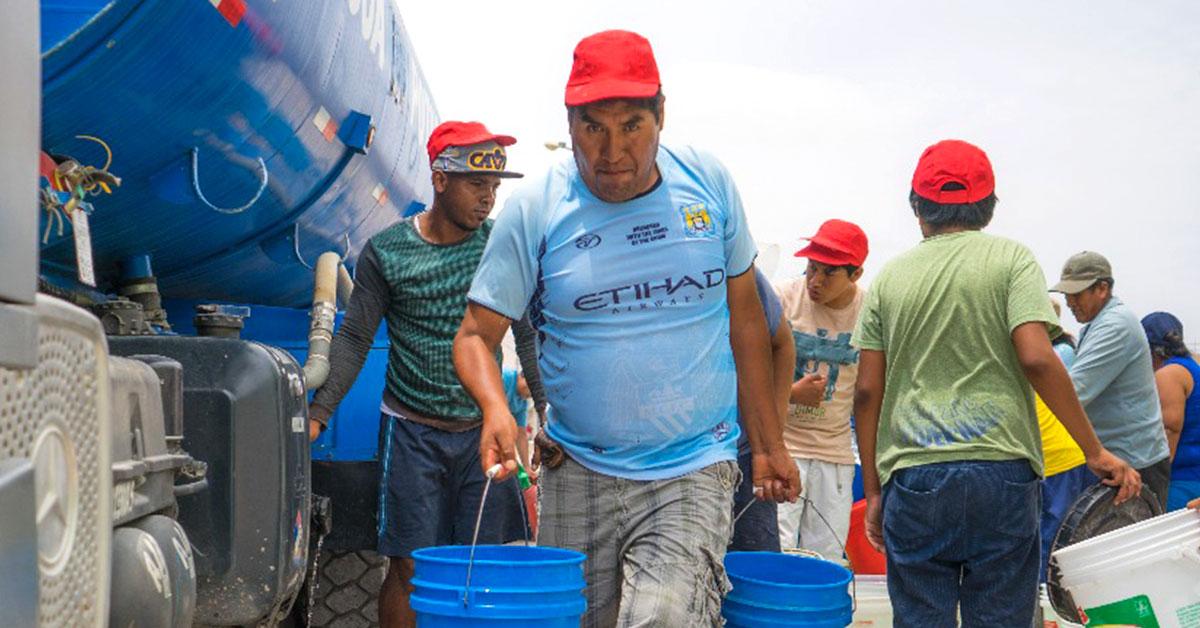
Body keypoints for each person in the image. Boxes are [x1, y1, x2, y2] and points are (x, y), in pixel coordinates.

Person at [453, 30, 799, 627]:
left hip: (693, 464)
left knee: (663, 618)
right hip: (578, 467)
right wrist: (494, 407)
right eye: (593, 128)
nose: (612, 150)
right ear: (569, 124)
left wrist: (767, 445)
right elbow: (474, 337)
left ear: (661, 116)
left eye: (632, 125)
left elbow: (747, 321)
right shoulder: (536, 208)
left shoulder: (709, 185)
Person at [852, 139, 1140, 626]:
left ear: (917, 207)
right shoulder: (1012, 261)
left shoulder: (889, 279)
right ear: (988, 207)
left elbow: (865, 392)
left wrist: (876, 492)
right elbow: (1037, 357)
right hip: (1002, 473)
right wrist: (1095, 451)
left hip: (915, 475)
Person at [307, 121, 529, 628]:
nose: (488, 199)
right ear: (440, 179)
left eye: (495, 187)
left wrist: (547, 410)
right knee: (410, 567)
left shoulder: (501, 247)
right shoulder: (385, 252)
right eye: (477, 184)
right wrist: (321, 412)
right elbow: (356, 336)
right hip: (411, 432)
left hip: (483, 434)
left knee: (483, 566)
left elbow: (529, 332)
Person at [774, 219, 869, 560]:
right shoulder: (783, 298)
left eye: (828, 274)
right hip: (781, 446)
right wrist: (790, 392)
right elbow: (746, 369)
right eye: (811, 268)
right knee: (777, 554)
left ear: (855, 275)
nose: (815, 281)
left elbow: (870, 394)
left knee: (826, 557)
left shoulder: (868, 312)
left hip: (835, 452)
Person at [1052, 251, 1172, 509]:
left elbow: (1074, 392)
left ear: (1102, 288)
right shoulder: (1096, 325)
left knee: (1129, 547)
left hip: (1133, 465)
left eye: (1077, 294)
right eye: (1066, 295)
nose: (1070, 302)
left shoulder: (1115, 325)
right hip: (1116, 460)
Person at [729, 268, 796, 552]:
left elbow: (781, 343)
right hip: (655, 462)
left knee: (755, 571)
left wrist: (770, 443)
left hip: (742, 455)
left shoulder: (734, 267)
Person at [1034, 304, 1093, 582]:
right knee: (1049, 544)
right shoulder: (1048, 353)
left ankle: (1050, 614)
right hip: (1052, 456)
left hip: (1055, 458)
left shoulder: (1055, 355)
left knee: (1051, 547)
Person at [1142, 311, 1200, 511]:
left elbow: (1169, 432)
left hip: (1181, 483)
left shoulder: (1169, 374)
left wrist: (1155, 486)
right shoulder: (1193, 368)